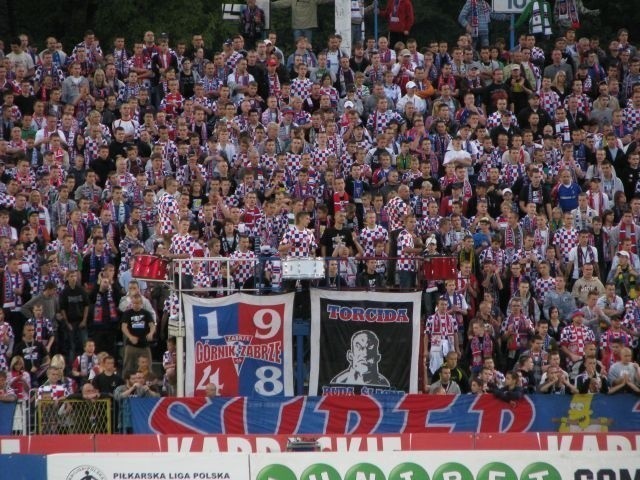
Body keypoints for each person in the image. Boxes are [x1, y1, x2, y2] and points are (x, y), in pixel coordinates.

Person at [120, 294, 156, 375]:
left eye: (137, 303)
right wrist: (130, 336)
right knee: (128, 367)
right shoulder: (127, 313)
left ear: (141, 303)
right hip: (131, 345)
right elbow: (124, 327)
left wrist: (151, 333)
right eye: (134, 303)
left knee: (148, 366)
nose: (135, 305)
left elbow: (152, 325)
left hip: (144, 344)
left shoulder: (146, 313)